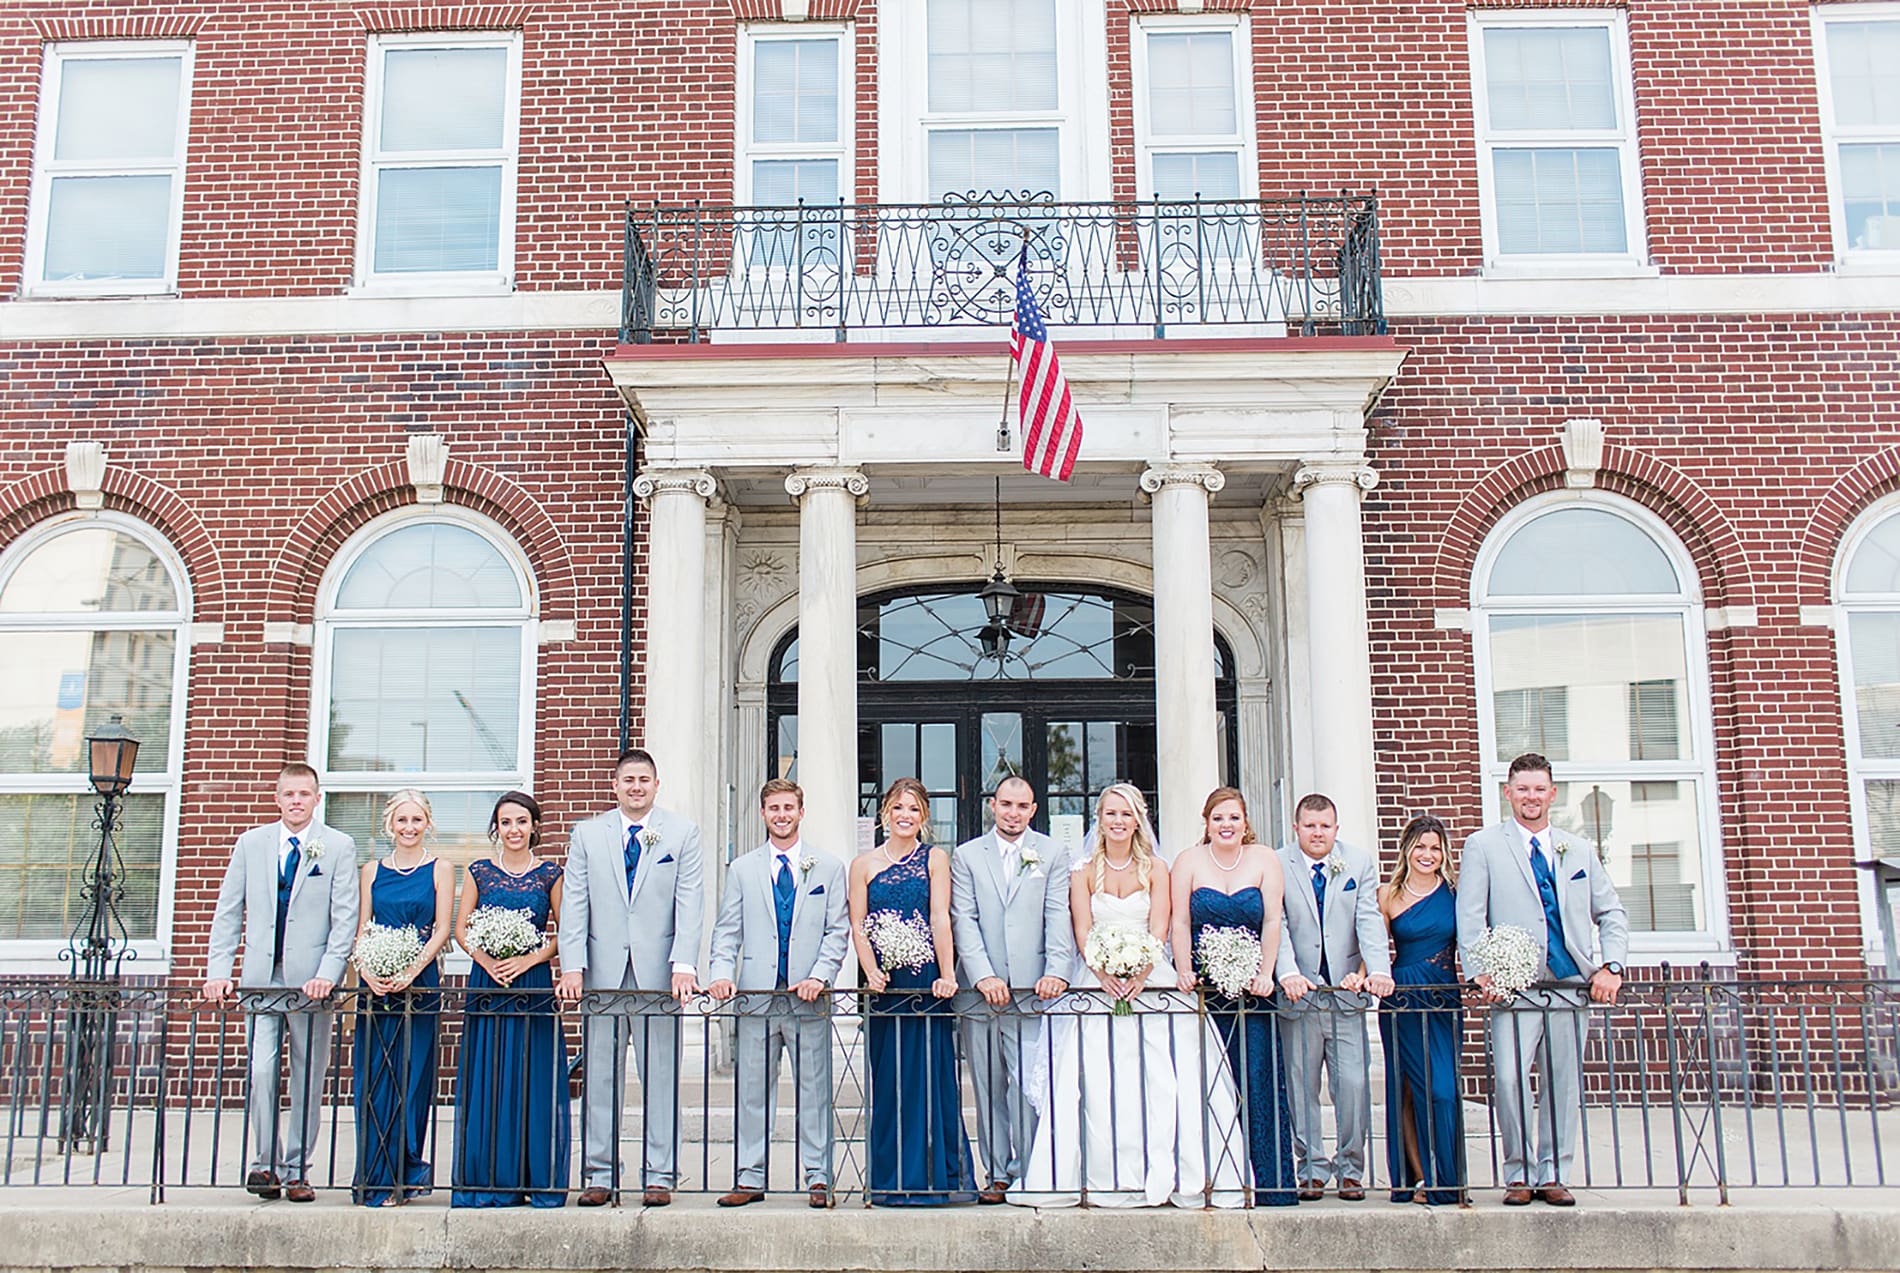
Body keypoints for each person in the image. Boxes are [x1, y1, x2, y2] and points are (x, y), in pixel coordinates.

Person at [1010, 783, 1248, 1209]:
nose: (1118, 821)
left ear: (1138, 819)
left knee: (1164, 1082)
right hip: (1097, 984)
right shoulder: (1082, 870)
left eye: (1126, 813)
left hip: (1151, 980)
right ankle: (1097, 1176)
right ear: (1098, 819)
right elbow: (1082, 929)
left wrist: (1139, 973)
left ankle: (1174, 1173)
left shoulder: (1156, 868)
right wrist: (1102, 972)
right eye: (1109, 814)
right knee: (1095, 1084)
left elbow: (1160, 926)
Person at [1457, 752, 1628, 1207]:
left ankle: (1553, 1171)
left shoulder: (1579, 849)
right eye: (1522, 788)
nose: (1530, 797)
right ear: (1508, 792)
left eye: (1539, 789)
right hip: (1514, 988)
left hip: (1572, 984)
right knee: (1510, 1080)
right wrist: (1480, 973)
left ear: (1552, 794)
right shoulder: (1484, 845)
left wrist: (1611, 966)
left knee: (1562, 1082)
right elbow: (1471, 918)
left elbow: (1611, 912)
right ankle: (1518, 1171)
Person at [203, 762, 360, 1203]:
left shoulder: (337, 847)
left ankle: (296, 1170)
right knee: (262, 1071)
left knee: (307, 1077)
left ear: (317, 798)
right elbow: (228, 912)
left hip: (311, 983)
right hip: (259, 980)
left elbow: (344, 919)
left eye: (304, 794)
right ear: (277, 799)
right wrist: (220, 970)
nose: (296, 801)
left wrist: (328, 974)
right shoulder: (251, 844)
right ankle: (264, 1164)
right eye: (288, 794)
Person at [556, 748, 705, 1207]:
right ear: (615, 786)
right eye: (628, 780)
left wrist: (684, 963)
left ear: (656, 785)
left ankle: (660, 1174)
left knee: (661, 1077)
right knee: (600, 1077)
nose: (636, 787)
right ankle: (599, 1173)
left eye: (644, 779)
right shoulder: (587, 834)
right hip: (601, 974)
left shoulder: (682, 833)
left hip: (658, 975)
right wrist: (571, 965)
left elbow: (690, 901)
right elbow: (575, 902)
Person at [706, 778, 850, 1208]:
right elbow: (727, 930)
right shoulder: (743, 869)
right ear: (764, 814)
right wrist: (719, 973)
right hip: (756, 997)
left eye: (789, 808)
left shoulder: (827, 867)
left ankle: (818, 1178)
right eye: (774, 808)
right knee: (751, 1091)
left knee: (814, 1090)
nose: (782, 815)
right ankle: (750, 1177)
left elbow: (837, 932)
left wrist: (820, 976)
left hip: (808, 998)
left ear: (801, 813)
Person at [848, 777, 976, 1205]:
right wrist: (870, 971)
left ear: (924, 818)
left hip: (924, 984)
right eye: (899, 808)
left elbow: (940, 917)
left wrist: (947, 974)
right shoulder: (863, 864)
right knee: (889, 1081)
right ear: (886, 812)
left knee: (928, 1079)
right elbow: (857, 925)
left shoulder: (936, 859)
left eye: (914, 810)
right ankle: (889, 1180)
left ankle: (933, 1179)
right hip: (884, 987)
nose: (906, 816)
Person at [1170, 786, 1299, 1206]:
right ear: (1206, 824)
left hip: (1253, 993)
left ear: (1246, 823)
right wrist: (1185, 970)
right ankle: (1216, 1178)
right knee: (1207, 1085)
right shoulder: (1188, 861)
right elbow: (1180, 923)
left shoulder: (1264, 859)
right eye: (1218, 818)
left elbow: (1274, 921)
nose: (1226, 825)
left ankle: (1269, 1182)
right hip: (1206, 993)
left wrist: (1265, 974)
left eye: (1234, 818)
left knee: (1257, 1080)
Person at [949, 775, 1075, 1204]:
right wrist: (983, 975)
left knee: (1027, 1086)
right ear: (993, 805)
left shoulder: (1053, 853)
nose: (1013, 813)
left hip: (1032, 989)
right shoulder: (966, 856)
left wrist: (1057, 969)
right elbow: (962, 918)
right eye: (1006, 804)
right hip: (980, 993)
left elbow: (1058, 913)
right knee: (987, 1087)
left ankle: (1029, 1169)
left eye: (1022, 806)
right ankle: (998, 1173)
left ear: (1033, 809)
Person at [451, 792, 570, 1207]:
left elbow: (564, 933)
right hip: (488, 983)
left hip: (532, 983)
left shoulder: (550, 875)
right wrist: (487, 957)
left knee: (531, 1076)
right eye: (506, 822)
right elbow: (462, 929)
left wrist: (527, 959)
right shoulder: (479, 872)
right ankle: (488, 1177)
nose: (514, 830)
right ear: (496, 827)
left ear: (535, 826)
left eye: (522, 821)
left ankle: (533, 1175)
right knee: (490, 1074)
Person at [1274, 792, 1393, 1201]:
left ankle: (1350, 1169)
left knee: (1354, 1085)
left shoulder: (1357, 862)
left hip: (1346, 995)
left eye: (1325, 826)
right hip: (1299, 995)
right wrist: (1287, 972)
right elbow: (1279, 924)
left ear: (1336, 828)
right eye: (1310, 825)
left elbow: (1369, 920)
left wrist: (1377, 970)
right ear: (1297, 828)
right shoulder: (1278, 863)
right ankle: (1310, 1168)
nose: (1318, 832)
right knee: (1301, 1087)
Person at [351, 789, 454, 1206]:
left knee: (411, 1079)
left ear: (428, 822)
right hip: (375, 986)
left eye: (416, 820)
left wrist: (412, 970)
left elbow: (443, 928)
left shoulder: (441, 868)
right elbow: (363, 927)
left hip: (420, 983)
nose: (409, 828)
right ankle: (374, 1174)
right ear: (389, 825)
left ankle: (404, 1171)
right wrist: (367, 971)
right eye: (401, 820)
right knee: (376, 1079)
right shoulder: (372, 871)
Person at [1376, 813, 1464, 1206]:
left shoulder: (1456, 892)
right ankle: (1421, 1179)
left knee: (1442, 1090)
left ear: (1443, 853)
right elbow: (1373, 948)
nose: (1427, 855)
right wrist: (1363, 975)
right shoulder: (1387, 895)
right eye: (1420, 847)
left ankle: (1448, 1177)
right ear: (1407, 849)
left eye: (1435, 848)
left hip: (1443, 999)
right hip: (1403, 1001)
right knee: (1408, 1092)